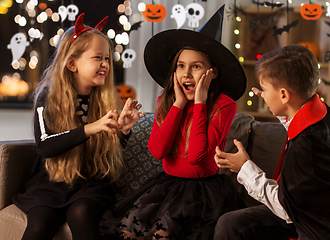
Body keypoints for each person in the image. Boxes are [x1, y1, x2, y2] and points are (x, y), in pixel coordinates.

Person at [98, 5, 247, 240]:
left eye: (196, 66)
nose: (186, 73)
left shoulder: (224, 105)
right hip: (166, 187)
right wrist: (177, 105)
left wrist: (199, 103)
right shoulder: (166, 100)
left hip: (203, 193)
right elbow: (157, 151)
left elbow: (196, 157)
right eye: (181, 66)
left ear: (213, 72)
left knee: (162, 235)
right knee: (127, 231)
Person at [12, 13, 145, 240]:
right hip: (52, 182)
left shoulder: (105, 99)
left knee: (81, 212)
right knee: (38, 225)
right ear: (72, 63)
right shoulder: (47, 96)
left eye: (107, 58)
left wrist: (123, 132)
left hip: (89, 183)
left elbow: (109, 155)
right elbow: (45, 147)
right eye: (97, 58)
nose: (105, 64)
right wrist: (90, 128)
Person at [214, 44, 330, 240]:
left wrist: (244, 168)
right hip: (316, 207)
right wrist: (275, 103)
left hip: (324, 225)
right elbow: (296, 123)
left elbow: (285, 209)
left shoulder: (306, 149)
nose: (262, 94)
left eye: (264, 90)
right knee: (231, 224)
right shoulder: (320, 112)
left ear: (284, 95)